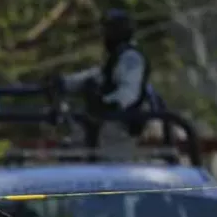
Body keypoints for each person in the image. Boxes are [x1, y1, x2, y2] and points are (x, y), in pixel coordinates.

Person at [50, 8, 152, 150]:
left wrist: (105, 103)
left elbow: (129, 91)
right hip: (105, 123)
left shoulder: (131, 58)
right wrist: (65, 82)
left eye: (112, 29)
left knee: (111, 167)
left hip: (120, 126)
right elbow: (97, 75)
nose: (107, 34)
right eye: (107, 29)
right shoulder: (115, 57)